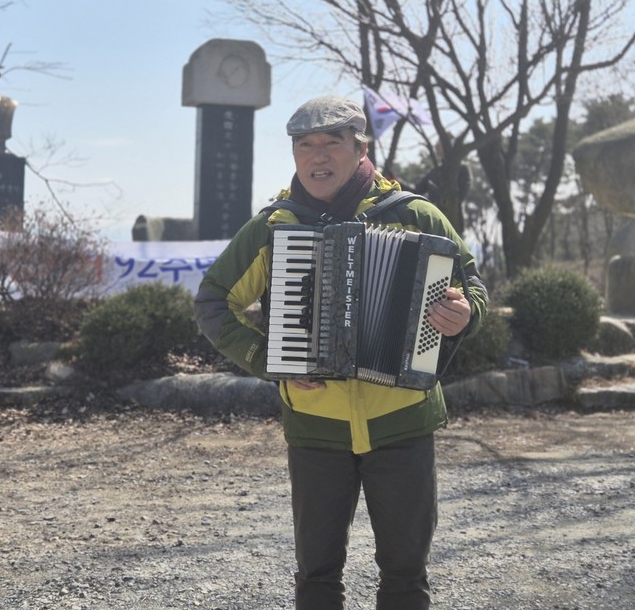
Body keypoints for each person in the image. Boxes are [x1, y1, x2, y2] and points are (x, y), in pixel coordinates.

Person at [194, 96, 488, 610]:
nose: (317, 155)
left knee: (405, 573)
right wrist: (271, 360)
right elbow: (215, 302)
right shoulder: (276, 226)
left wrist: (465, 314)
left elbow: (474, 289)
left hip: (403, 422)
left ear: (360, 148)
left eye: (332, 142)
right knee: (317, 575)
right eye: (305, 145)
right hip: (315, 429)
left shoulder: (416, 215)